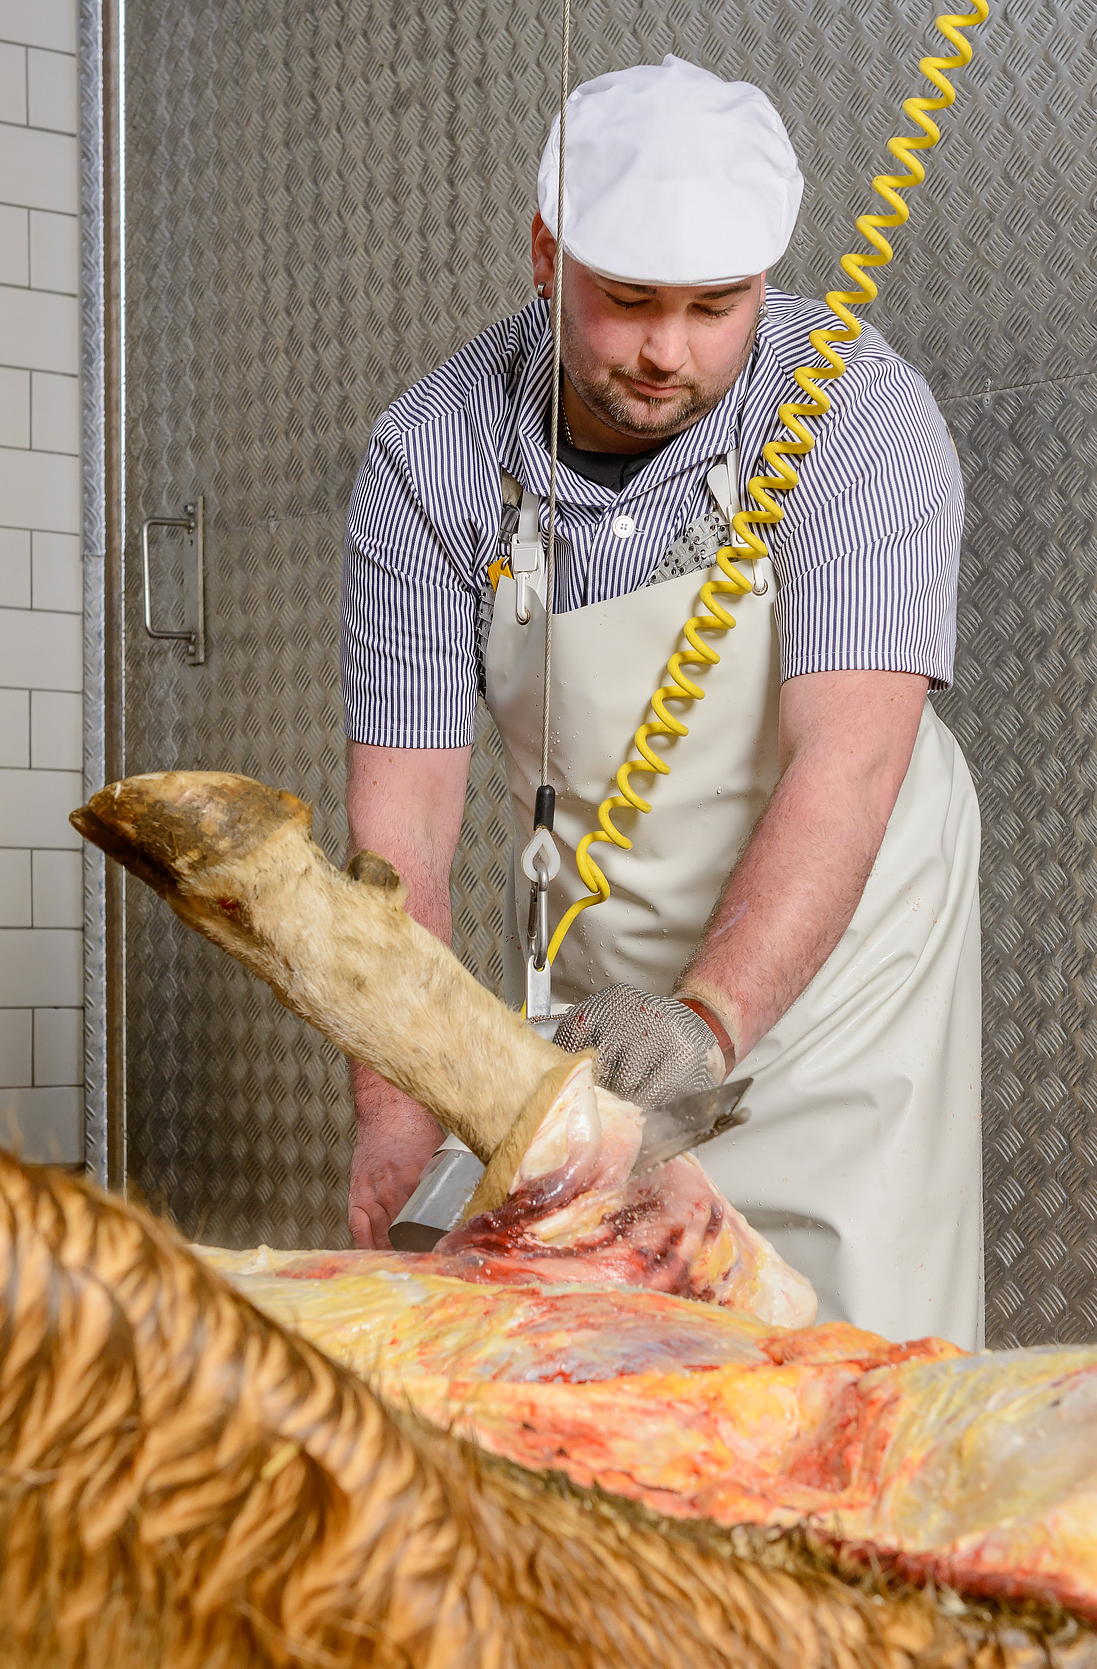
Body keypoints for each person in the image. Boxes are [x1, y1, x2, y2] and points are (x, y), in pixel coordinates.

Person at [338, 56, 981, 1345]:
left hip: (850, 957)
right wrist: (396, 1108)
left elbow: (847, 765)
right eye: (628, 301)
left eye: (714, 307)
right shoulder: (432, 460)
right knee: (607, 1364)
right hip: (611, 966)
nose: (666, 353)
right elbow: (402, 836)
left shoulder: (857, 414)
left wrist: (708, 1021)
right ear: (547, 255)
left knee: (852, 1352)